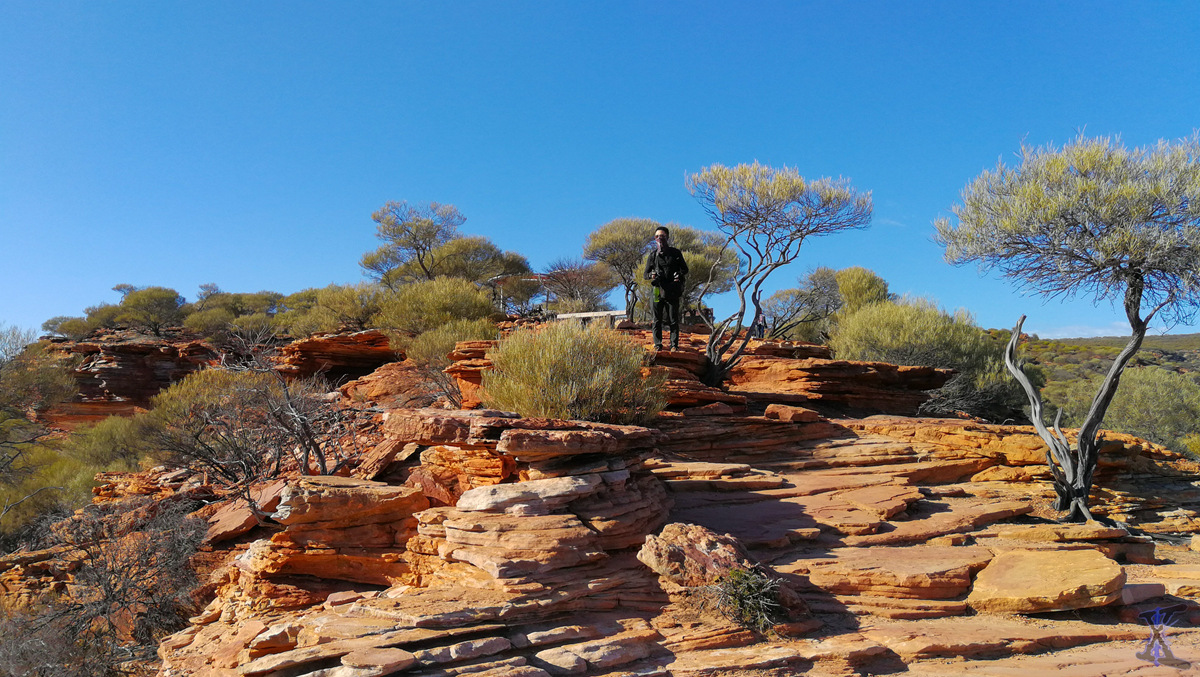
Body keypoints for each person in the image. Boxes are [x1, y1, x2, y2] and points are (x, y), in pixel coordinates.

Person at [644, 226, 688, 351]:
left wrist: (678, 274)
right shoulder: (652, 256)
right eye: (657, 236)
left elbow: (685, 269)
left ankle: (674, 345)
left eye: (662, 236)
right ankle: (658, 344)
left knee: (673, 320)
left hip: (672, 290)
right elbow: (645, 275)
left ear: (667, 237)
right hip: (657, 290)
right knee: (656, 319)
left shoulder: (675, 253)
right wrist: (651, 275)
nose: (659, 239)